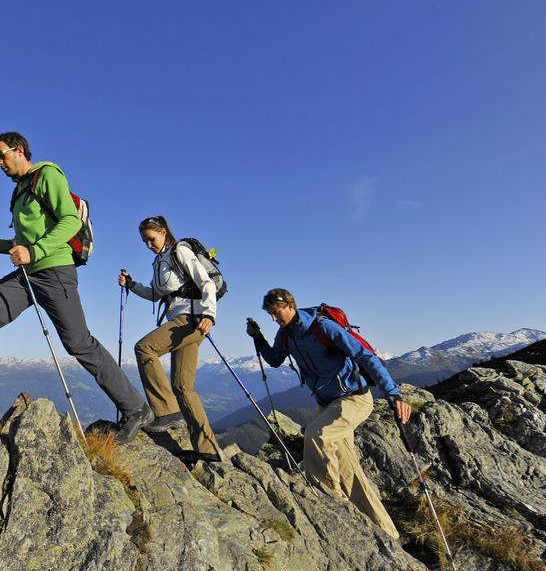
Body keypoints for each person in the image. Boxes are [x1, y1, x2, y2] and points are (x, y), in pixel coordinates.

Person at [0, 132, 152, 442]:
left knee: (78, 343)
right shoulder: (20, 192)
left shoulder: (47, 175)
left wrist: (34, 251)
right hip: (27, 275)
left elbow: (70, 221)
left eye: (1, 155)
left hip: (55, 271)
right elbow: (19, 244)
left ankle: (135, 408)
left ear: (19, 149)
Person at [248, 288, 410, 539]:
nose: (274, 318)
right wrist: (258, 338)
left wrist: (393, 393)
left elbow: (364, 356)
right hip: (327, 404)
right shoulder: (286, 335)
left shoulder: (322, 327)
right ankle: (388, 534)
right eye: (270, 314)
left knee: (316, 434)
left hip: (354, 399)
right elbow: (275, 360)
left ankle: (327, 501)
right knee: (350, 472)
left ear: (290, 305)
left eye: (276, 312)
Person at [118, 215, 224, 462]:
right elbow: (156, 294)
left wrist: (209, 314)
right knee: (183, 388)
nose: (148, 244)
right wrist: (132, 285)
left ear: (164, 232)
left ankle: (166, 410)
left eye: (151, 239)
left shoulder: (181, 251)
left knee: (144, 348)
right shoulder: (160, 261)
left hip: (191, 319)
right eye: (144, 241)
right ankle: (207, 451)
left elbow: (205, 282)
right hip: (182, 322)